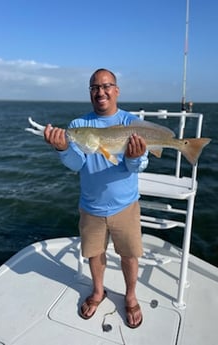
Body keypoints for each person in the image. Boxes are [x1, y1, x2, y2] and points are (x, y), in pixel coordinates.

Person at [44, 68, 148, 328]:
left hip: (125, 205)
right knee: (95, 254)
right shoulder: (79, 126)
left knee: (129, 255)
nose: (100, 92)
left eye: (106, 86)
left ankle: (131, 295)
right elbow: (77, 164)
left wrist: (135, 158)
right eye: (94, 87)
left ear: (116, 90)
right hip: (91, 206)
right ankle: (98, 291)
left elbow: (140, 165)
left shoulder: (131, 123)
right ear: (90, 92)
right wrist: (63, 148)